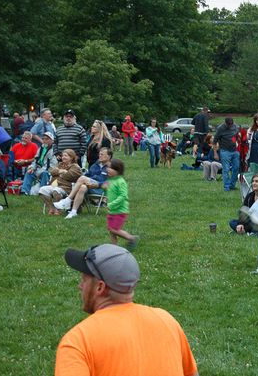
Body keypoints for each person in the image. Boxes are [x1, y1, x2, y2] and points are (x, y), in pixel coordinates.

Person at [56, 244, 198, 376]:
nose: (80, 286)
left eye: (84, 280)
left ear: (100, 287)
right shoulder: (167, 321)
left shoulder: (78, 342)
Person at [54, 147, 112, 219]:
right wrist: (85, 181)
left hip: (101, 189)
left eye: (102, 154)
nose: (99, 155)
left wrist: (98, 184)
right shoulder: (95, 165)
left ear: (109, 156)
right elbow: (87, 175)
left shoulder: (112, 167)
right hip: (89, 186)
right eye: (99, 154)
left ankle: (67, 200)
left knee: (82, 178)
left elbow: (110, 182)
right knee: (82, 187)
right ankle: (74, 211)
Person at [104, 158, 139, 249]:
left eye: (110, 168)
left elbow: (123, 196)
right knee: (111, 230)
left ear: (117, 170)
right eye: (107, 167)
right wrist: (104, 188)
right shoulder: (110, 180)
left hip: (120, 210)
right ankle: (114, 247)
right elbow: (110, 192)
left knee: (114, 229)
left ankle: (131, 238)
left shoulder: (120, 181)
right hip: (112, 210)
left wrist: (111, 204)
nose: (108, 169)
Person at [39, 149, 82, 215]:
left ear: (71, 157)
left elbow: (69, 176)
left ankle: (58, 209)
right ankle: (51, 208)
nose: (63, 157)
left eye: (66, 156)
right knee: (42, 190)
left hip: (67, 188)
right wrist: (62, 171)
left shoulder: (75, 167)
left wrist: (59, 172)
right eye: (62, 156)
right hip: (55, 185)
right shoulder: (60, 164)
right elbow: (52, 172)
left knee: (56, 191)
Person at [214, 117, 240, 192]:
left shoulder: (235, 126)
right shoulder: (220, 128)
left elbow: (237, 136)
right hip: (225, 151)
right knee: (226, 169)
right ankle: (226, 187)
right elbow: (215, 141)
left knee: (236, 168)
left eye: (231, 124)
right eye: (228, 125)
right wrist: (215, 153)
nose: (230, 126)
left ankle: (232, 185)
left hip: (235, 151)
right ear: (225, 123)